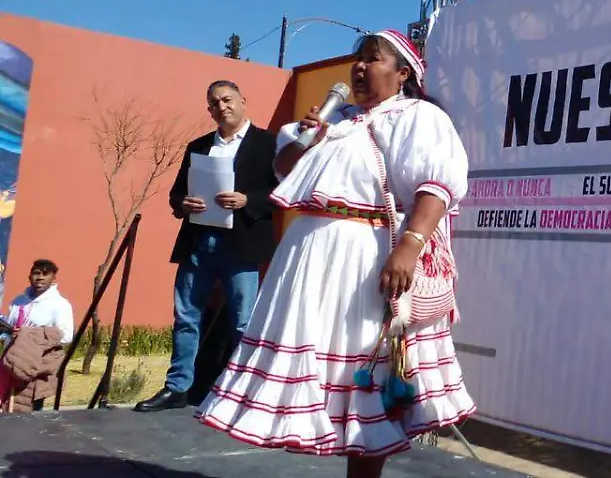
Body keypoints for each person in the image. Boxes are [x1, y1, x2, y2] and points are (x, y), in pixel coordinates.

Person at [195, 30, 475, 478]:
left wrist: (409, 246)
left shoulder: (417, 117)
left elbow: (437, 185)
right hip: (310, 260)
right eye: (357, 59)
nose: (360, 67)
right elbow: (284, 169)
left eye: (372, 59)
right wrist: (309, 135)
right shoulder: (334, 120)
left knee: (364, 374)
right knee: (327, 381)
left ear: (403, 73)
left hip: (364, 257)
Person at [136, 80, 279, 412]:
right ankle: (177, 387)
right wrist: (184, 204)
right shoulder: (198, 146)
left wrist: (247, 200)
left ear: (244, 100)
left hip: (240, 244)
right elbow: (175, 194)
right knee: (186, 316)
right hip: (199, 242)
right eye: (214, 103)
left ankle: (243, 392)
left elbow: (282, 190)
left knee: (243, 321)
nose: (221, 107)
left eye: (227, 100)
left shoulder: (267, 144)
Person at [1, 259, 73, 412]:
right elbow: (9, 328)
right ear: (29, 276)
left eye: (45, 274)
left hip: (37, 366)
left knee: (30, 413)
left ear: (53, 279)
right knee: (7, 407)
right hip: (11, 362)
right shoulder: (18, 301)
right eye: (36, 273)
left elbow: (66, 335)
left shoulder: (59, 304)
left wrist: (29, 335)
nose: (40, 277)